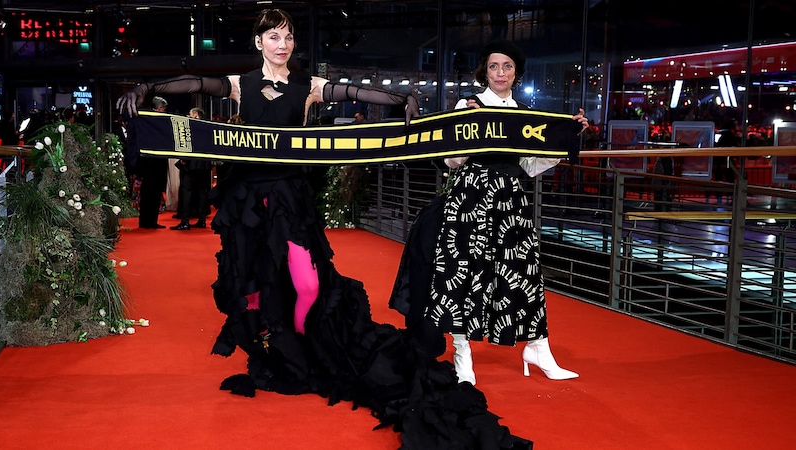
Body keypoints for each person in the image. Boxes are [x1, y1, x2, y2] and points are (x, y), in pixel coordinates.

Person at [118, 10, 531, 448]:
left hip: (290, 199)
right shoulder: (240, 84)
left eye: (289, 37)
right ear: (259, 42)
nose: (283, 44)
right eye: (274, 37)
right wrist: (147, 87)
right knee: (253, 282)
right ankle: (274, 347)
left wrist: (400, 99)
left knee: (309, 284)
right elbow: (197, 84)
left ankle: (297, 342)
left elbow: (355, 91)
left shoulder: (308, 87)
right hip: (247, 200)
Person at [391, 40, 585, 386]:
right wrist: (464, 131)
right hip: (470, 197)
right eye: (494, 66)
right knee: (463, 274)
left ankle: (538, 347)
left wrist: (564, 140)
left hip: (511, 200)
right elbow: (449, 163)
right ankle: (462, 351)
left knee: (523, 271)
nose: (500, 73)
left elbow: (529, 166)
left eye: (507, 66)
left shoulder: (525, 114)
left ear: (517, 73)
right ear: (485, 70)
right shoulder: (469, 106)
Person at [170, 107, 212, 230]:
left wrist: (183, 160)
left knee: (187, 193)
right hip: (204, 166)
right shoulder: (208, 127)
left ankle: (185, 221)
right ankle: (202, 220)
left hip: (191, 165)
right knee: (202, 193)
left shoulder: (190, 127)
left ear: (195, 114)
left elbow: (188, 145)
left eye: (190, 114)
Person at [136, 96, 169, 228]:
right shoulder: (151, 120)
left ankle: (150, 221)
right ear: (160, 108)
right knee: (150, 193)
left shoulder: (150, 120)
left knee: (153, 193)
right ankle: (147, 221)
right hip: (151, 163)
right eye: (164, 109)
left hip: (154, 162)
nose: (165, 111)